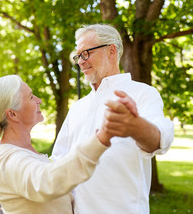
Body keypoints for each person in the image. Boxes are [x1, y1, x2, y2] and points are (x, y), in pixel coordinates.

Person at [52, 24, 175, 214]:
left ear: (111, 50)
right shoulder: (78, 107)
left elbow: (160, 140)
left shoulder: (143, 94)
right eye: (78, 56)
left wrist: (135, 126)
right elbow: (58, 162)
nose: (80, 62)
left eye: (86, 53)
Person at [0, 74, 136, 214]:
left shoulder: (26, 153)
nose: (38, 100)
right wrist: (102, 136)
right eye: (30, 97)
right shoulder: (9, 162)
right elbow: (48, 181)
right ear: (12, 114)